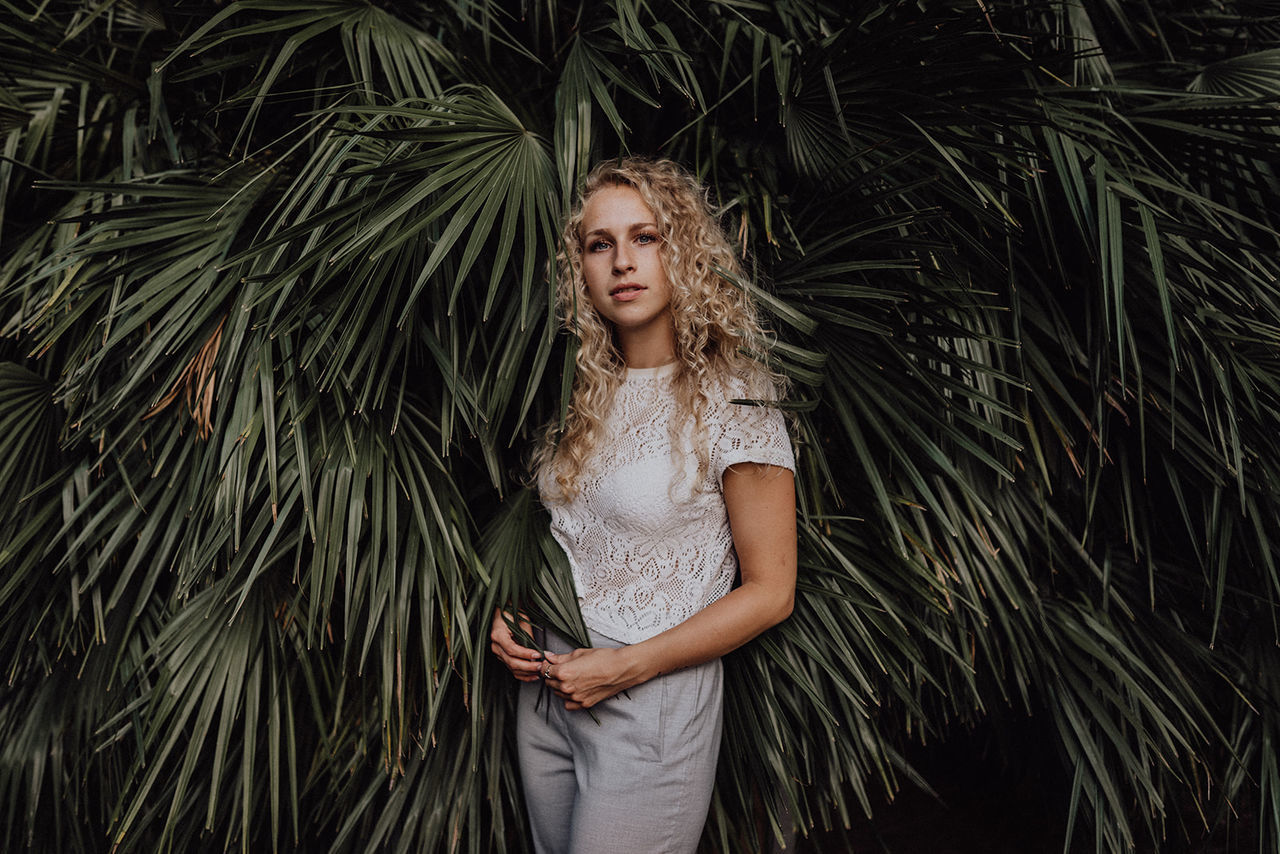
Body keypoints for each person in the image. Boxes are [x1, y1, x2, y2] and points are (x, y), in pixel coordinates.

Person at [489, 157, 797, 854]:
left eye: (646, 238)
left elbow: (773, 591)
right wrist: (517, 615)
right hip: (546, 687)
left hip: (648, 699)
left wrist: (629, 666)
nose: (623, 262)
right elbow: (574, 542)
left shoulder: (736, 397)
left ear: (682, 251)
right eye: (600, 244)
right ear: (582, 270)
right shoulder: (579, 395)